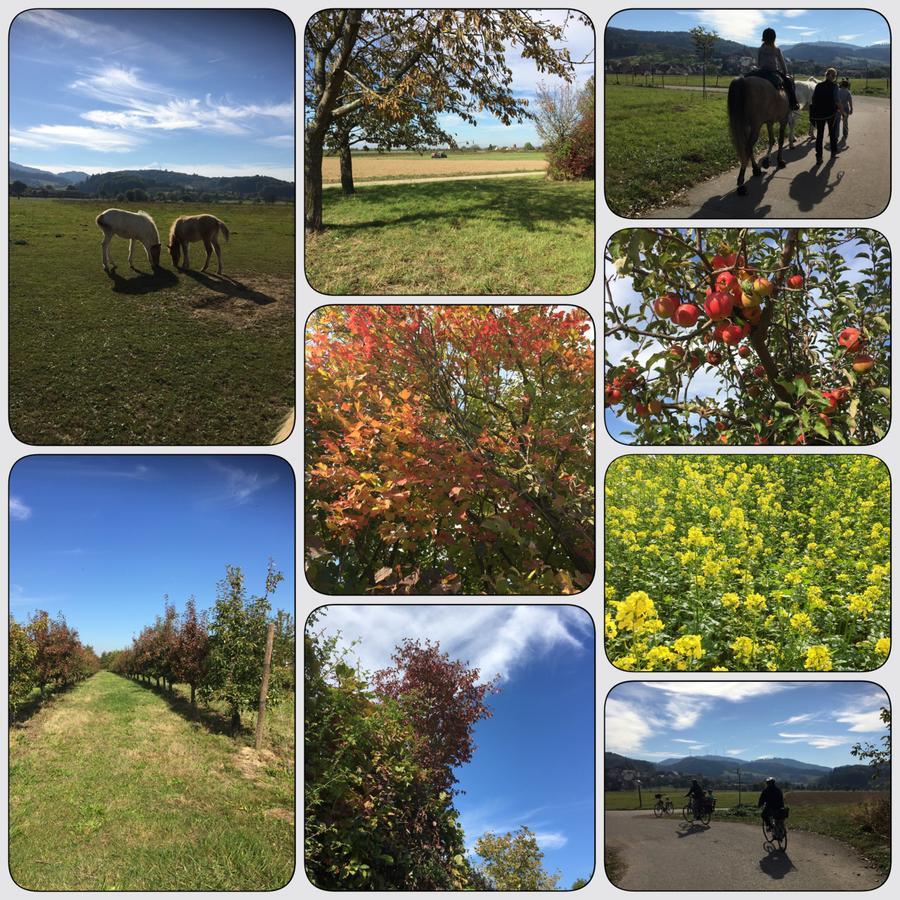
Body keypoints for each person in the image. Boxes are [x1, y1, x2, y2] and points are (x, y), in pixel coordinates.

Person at [758, 28, 800, 110]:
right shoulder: (776, 50)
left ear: (763, 38)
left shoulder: (760, 49)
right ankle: (793, 104)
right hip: (773, 72)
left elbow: (759, 63)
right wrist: (784, 72)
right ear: (774, 38)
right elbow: (782, 64)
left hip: (761, 71)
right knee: (788, 82)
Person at [809, 68, 843, 162]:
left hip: (819, 114)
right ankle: (833, 152)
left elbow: (813, 99)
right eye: (834, 76)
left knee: (820, 135)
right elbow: (836, 100)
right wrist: (842, 110)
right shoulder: (834, 86)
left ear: (826, 75)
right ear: (833, 76)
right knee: (832, 133)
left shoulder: (818, 85)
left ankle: (819, 156)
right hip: (831, 114)